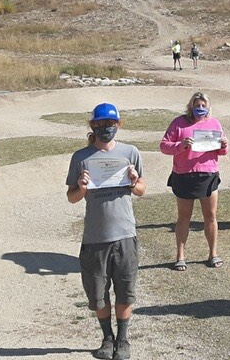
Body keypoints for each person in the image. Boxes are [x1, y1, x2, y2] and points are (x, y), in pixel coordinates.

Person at [66, 103, 146, 360]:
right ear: (93, 126)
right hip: (95, 237)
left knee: (125, 291)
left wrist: (133, 182)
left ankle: (123, 339)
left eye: (110, 124)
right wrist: (81, 187)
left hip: (124, 234)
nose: (105, 128)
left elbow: (142, 189)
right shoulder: (81, 157)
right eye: (100, 124)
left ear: (118, 125)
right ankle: (107, 338)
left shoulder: (130, 152)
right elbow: (72, 197)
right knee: (98, 295)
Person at [160, 91, 229, 270]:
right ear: (190, 106)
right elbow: (164, 146)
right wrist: (180, 145)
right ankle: (180, 256)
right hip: (184, 175)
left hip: (208, 174)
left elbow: (222, 151)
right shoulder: (178, 123)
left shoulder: (215, 123)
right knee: (184, 218)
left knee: (211, 216)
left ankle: (213, 253)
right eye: (197, 105)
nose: (200, 108)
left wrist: (224, 145)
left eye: (203, 105)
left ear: (208, 107)